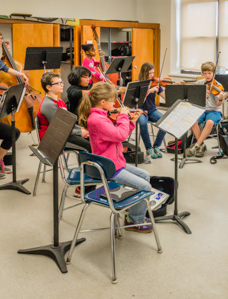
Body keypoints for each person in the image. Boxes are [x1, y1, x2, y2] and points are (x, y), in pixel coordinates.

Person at [78, 82, 154, 233]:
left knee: (145, 175)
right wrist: (124, 116)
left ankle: (132, 212)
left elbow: (118, 135)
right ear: (103, 102)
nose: (115, 104)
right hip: (109, 167)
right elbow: (120, 134)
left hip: (116, 161)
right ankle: (134, 221)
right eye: (113, 101)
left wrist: (131, 120)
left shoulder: (102, 116)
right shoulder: (97, 120)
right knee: (145, 187)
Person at [37, 71, 91, 152]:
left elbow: (67, 122)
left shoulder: (60, 101)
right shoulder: (49, 105)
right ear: (49, 87)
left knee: (92, 138)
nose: (62, 85)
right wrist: (79, 132)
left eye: (61, 82)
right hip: (52, 139)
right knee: (88, 145)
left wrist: (82, 129)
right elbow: (59, 127)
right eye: (58, 83)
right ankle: (89, 164)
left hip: (62, 133)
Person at [185, 61, 225, 158]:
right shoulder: (199, 83)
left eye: (209, 73)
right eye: (205, 73)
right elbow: (195, 99)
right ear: (203, 73)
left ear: (213, 73)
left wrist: (220, 98)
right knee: (193, 121)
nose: (207, 75)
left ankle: (197, 145)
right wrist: (202, 96)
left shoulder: (218, 86)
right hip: (202, 109)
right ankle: (201, 145)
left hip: (214, 110)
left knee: (210, 122)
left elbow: (218, 104)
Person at [137, 62, 168, 162]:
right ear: (144, 73)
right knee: (142, 123)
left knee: (165, 121)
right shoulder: (138, 84)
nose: (152, 75)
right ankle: (148, 148)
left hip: (152, 110)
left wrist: (174, 88)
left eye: (153, 73)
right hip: (141, 111)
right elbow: (140, 101)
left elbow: (166, 97)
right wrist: (150, 91)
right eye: (150, 73)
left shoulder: (155, 83)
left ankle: (156, 146)